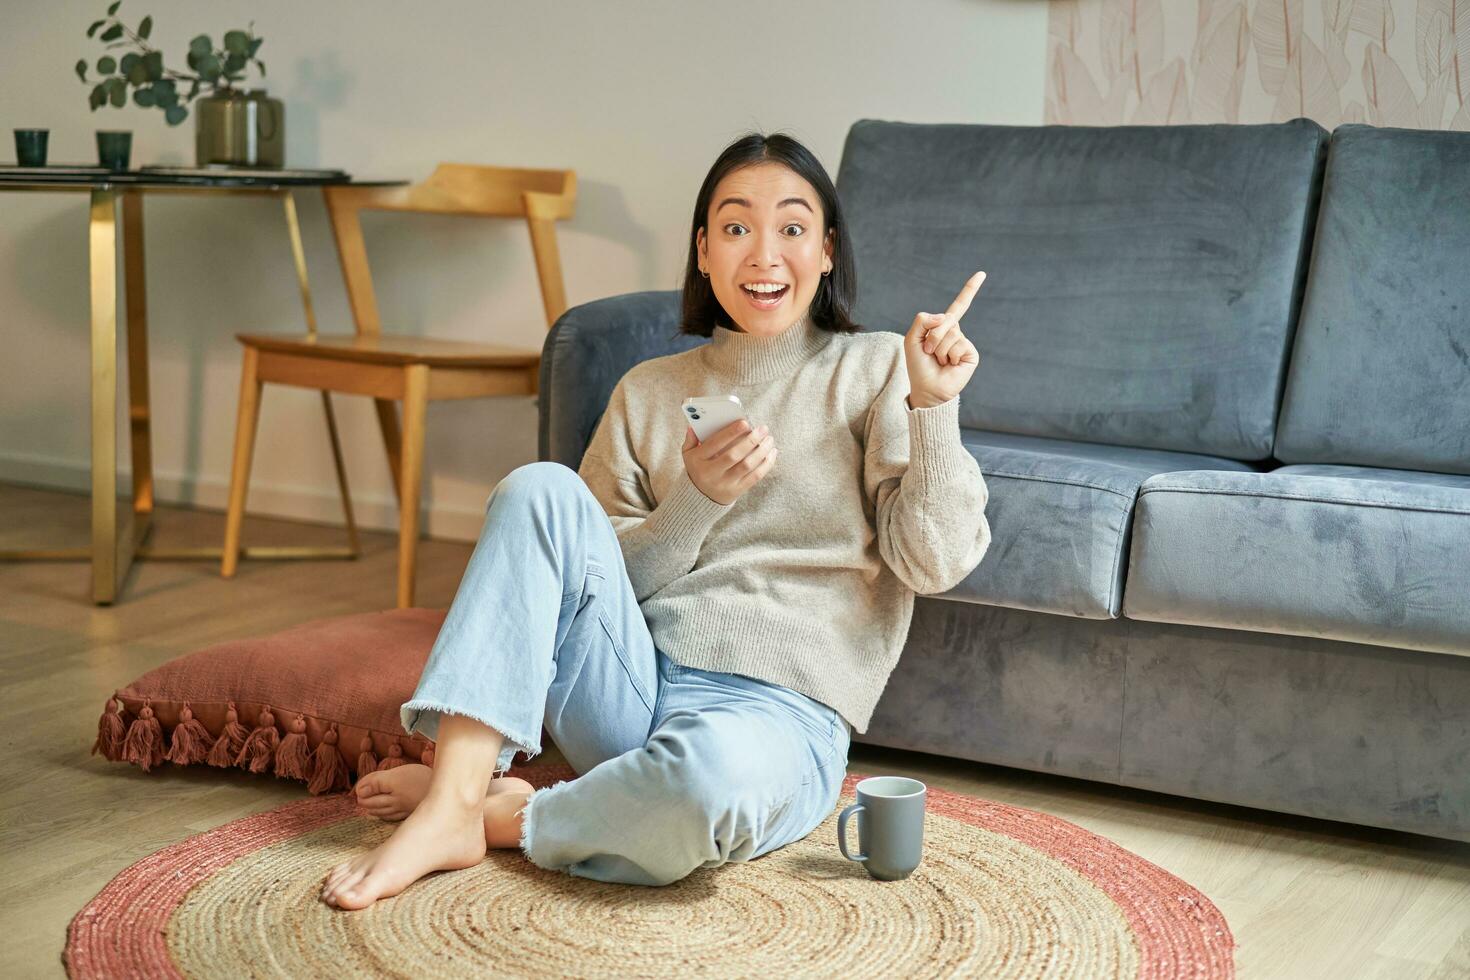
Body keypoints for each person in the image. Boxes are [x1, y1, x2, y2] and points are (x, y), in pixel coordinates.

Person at [320, 131, 992, 909]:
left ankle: (508, 815)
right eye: (737, 228)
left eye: (793, 228)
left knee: (703, 787)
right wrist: (695, 501)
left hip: (776, 717)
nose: (764, 254)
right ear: (703, 251)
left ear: (829, 251)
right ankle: (452, 799)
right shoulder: (649, 390)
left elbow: (934, 562)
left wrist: (933, 408)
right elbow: (590, 582)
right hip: (628, 683)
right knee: (540, 488)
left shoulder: (877, 369)